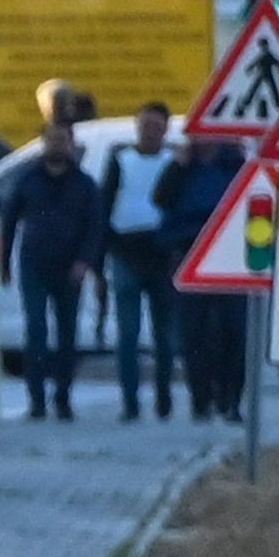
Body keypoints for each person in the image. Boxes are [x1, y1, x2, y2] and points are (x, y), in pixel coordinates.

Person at [0, 122, 107, 420]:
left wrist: (86, 262)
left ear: (71, 144)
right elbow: (8, 222)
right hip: (34, 263)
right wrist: (4, 263)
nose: (57, 145)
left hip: (70, 267)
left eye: (62, 140)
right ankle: (36, 401)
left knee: (67, 335)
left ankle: (63, 398)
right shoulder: (27, 180)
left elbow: (95, 228)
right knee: (35, 331)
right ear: (43, 142)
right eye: (51, 140)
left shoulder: (85, 184)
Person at [95, 103, 180, 420]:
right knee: (128, 335)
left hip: (162, 255)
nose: (149, 131)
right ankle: (130, 402)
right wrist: (100, 258)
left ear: (165, 129)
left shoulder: (174, 161)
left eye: (156, 126)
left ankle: (163, 399)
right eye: (144, 125)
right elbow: (104, 206)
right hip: (125, 253)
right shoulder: (121, 160)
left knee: (164, 338)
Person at [156, 137, 247, 423]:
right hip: (188, 254)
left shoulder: (233, 164)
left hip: (230, 254)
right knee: (194, 333)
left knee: (232, 331)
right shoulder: (183, 167)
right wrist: (178, 167)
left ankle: (230, 399)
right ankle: (201, 400)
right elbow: (161, 200)